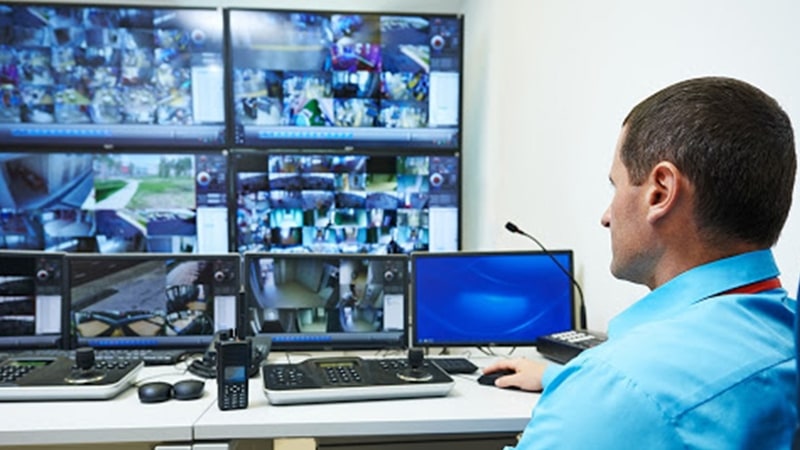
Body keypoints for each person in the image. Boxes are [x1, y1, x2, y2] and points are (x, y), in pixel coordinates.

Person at [483, 76, 798, 449]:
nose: (606, 216)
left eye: (616, 186)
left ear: (659, 193)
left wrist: (585, 389)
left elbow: (629, 396)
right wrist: (558, 377)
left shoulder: (613, 387)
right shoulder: (783, 339)